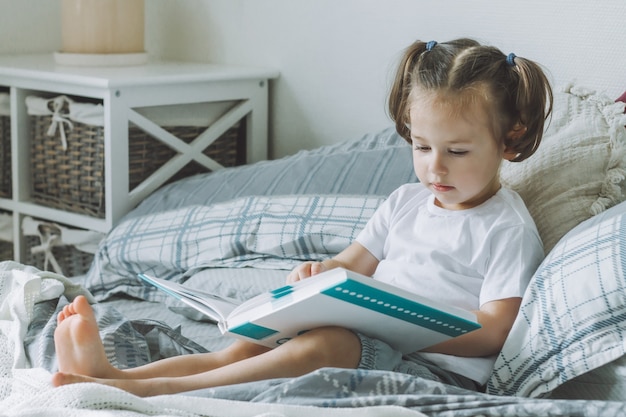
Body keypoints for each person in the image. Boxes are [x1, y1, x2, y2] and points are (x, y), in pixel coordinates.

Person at [52, 38, 553, 396]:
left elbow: (493, 331)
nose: (434, 166)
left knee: (326, 343)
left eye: (458, 151)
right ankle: (114, 377)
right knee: (249, 348)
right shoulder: (405, 202)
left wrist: (398, 326)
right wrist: (316, 277)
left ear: (510, 140)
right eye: (421, 147)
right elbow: (351, 264)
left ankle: (158, 391)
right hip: (364, 338)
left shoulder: (504, 227)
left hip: (433, 368)